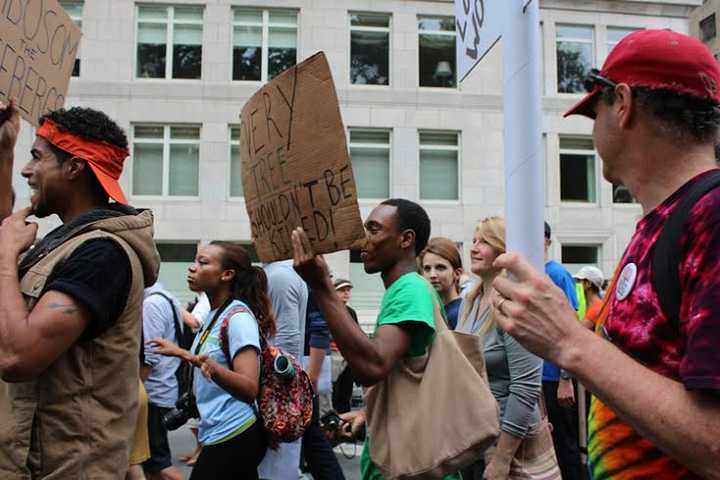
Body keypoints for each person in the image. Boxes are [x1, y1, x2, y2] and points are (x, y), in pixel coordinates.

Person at [490, 29, 720, 479]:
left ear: (622, 104)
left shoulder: (710, 217)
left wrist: (568, 342)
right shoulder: (666, 221)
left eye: (593, 112)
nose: (593, 131)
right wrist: (554, 326)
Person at [0, 104, 160, 478]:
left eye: (37, 158)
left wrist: (7, 256)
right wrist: (4, 152)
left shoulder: (102, 254)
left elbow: (15, 357)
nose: (27, 170)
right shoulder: (67, 242)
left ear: (73, 168)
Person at [292, 198, 462, 480]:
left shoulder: (410, 290)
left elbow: (372, 367)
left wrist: (322, 286)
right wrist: (367, 414)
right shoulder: (402, 290)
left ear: (406, 239)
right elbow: (401, 376)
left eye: (374, 230)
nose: (364, 240)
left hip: (412, 463)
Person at [150, 241, 272, 479]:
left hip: (236, 429)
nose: (192, 268)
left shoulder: (238, 318)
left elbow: (249, 388)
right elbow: (211, 359)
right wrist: (181, 353)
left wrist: (215, 371)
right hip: (219, 428)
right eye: (195, 261)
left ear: (227, 274)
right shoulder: (217, 313)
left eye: (202, 262)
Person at [455, 217, 544, 479]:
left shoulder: (512, 305)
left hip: (507, 442)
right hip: (473, 435)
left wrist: (501, 459)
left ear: (503, 250)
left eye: (484, 241)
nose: (473, 248)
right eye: (473, 240)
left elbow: (526, 387)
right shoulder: (470, 301)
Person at [259, 260, 308, 480]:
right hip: (273, 390)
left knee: (275, 470)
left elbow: (286, 345)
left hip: (275, 394)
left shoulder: (279, 276)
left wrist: (280, 404)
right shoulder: (277, 273)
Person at [542, 221, 582, 480]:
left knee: (565, 448)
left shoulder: (557, 274)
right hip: (535, 379)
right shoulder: (525, 273)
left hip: (555, 378)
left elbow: (571, 327)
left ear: (546, 240)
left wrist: (565, 379)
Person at [300, 292, 346, 480]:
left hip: (305, 371)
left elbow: (320, 327)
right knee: (311, 436)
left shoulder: (305, 277)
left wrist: (312, 375)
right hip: (304, 370)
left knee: (311, 434)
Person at [141, 282, 184, 480]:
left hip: (153, 393)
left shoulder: (152, 303)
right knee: (150, 466)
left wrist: (134, 389)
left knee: (160, 465)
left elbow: (151, 354)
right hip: (164, 389)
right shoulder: (167, 297)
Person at [419, 237, 464, 329]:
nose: (432, 275)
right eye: (427, 269)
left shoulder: (461, 312)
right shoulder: (427, 311)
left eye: (440, 267)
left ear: (457, 273)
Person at [332, 278, 360, 414]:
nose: (346, 293)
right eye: (342, 290)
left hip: (348, 359)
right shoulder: (328, 309)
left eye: (348, 290)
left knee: (345, 395)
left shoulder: (351, 312)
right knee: (333, 394)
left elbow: (357, 334)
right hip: (333, 358)